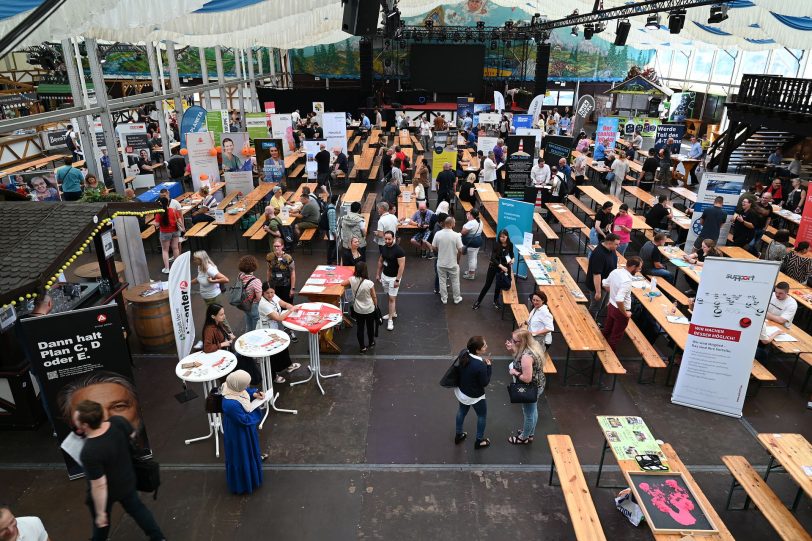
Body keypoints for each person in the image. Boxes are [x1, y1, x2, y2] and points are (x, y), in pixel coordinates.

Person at [73, 400, 165, 541]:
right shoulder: (118, 422)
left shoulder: (89, 452)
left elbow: (99, 485)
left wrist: (101, 512)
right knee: (139, 510)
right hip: (127, 480)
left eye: (77, 420)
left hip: (108, 492)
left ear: (85, 425)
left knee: (101, 524)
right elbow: (133, 437)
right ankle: (159, 538)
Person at [220, 370, 266, 495]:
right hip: (238, 433)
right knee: (242, 454)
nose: (248, 386)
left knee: (247, 452)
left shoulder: (231, 386)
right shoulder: (230, 404)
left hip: (241, 430)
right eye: (246, 384)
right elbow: (244, 419)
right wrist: (257, 410)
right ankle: (244, 483)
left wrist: (255, 395)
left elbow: (244, 393)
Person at [505, 329, 546, 445]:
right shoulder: (533, 347)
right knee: (533, 411)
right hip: (538, 385)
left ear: (522, 342)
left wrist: (514, 372)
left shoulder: (526, 357)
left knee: (528, 414)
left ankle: (523, 437)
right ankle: (530, 433)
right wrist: (513, 348)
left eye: (514, 341)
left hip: (530, 388)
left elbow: (527, 378)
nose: (512, 342)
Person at [453, 335, 492, 450]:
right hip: (476, 396)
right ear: (477, 350)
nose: (486, 346)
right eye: (484, 345)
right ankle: (479, 441)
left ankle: (458, 435)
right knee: (482, 415)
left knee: (461, 411)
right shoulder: (480, 365)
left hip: (462, 392)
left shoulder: (463, 354)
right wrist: (489, 367)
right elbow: (484, 382)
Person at [257, 282, 301, 377]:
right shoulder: (263, 304)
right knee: (272, 352)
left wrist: (290, 306)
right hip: (267, 331)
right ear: (263, 293)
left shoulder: (273, 296)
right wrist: (291, 310)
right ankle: (273, 376)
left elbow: (284, 304)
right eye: (267, 293)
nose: (270, 295)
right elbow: (278, 318)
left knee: (282, 346)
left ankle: (288, 366)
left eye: (272, 292)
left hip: (274, 328)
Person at [601, 256, 642, 352]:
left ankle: (600, 347)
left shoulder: (616, 271)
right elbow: (620, 300)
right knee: (616, 336)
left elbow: (605, 284)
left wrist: (613, 293)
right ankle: (610, 360)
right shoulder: (627, 281)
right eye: (639, 268)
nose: (639, 270)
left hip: (611, 306)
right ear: (632, 267)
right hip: (620, 311)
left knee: (607, 329)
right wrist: (625, 313)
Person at [342, 262, 378, 353]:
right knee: (370, 327)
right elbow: (374, 296)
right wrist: (376, 305)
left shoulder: (352, 279)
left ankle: (362, 347)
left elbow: (342, 283)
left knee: (360, 328)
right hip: (369, 309)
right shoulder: (369, 283)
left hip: (358, 309)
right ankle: (371, 342)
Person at [473, 229, 513, 310]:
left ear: (507, 237)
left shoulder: (510, 244)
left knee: (498, 285)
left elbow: (511, 254)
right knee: (487, 284)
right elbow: (493, 258)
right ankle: (478, 301)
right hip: (494, 266)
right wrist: (501, 266)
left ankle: (495, 301)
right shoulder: (496, 244)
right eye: (500, 237)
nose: (501, 238)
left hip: (504, 267)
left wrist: (512, 259)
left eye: (503, 237)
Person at [377, 230, 405, 331]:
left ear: (394, 238)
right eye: (386, 239)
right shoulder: (384, 248)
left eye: (389, 239)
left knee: (392, 298)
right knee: (389, 296)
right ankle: (393, 312)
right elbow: (381, 261)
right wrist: (378, 274)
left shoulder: (399, 250)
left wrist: (397, 280)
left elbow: (402, 266)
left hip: (394, 278)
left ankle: (390, 320)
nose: (387, 241)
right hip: (385, 276)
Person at [432, 216, 464, 305]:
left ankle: (444, 298)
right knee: (455, 281)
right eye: (454, 223)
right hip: (453, 263)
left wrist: (440, 250)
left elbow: (433, 247)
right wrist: (458, 260)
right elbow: (461, 250)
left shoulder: (438, 234)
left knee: (442, 281)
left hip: (441, 262)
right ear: (451, 224)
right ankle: (457, 298)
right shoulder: (456, 235)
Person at [587, 234, 620, 318]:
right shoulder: (599, 254)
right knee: (595, 306)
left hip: (607, 284)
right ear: (609, 243)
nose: (618, 246)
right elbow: (597, 274)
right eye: (616, 244)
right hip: (599, 286)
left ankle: (595, 320)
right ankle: (590, 323)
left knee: (604, 304)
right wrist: (598, 292)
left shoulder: (611, 249)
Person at [155, 195, 184, 274]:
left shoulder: (159, 213)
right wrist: (183, 228)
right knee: (175, 248)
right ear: (168, 202)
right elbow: (179, 220)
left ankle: (167, 268)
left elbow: (157, 224)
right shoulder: (173, 210)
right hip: (175, 231)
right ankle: (177, 266)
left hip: (165, 232)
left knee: (165, 250)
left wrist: (155, 223)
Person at [266, 239, 296, 305]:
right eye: (274, 246)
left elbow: (292, 273)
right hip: (274, 285)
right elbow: (269, 270)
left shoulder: (288, 257)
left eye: (278, 246)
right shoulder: (269, 256)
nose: (276, 248)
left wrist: (292, 288)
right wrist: (267, 282)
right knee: (276, 304)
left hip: (286, 285)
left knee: (287, 304)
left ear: (282, 246)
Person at [237, 255, 263, 332]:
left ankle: (246, 339)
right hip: (253, 305)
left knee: (248, 324)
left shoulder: (240, 275)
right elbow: (259, 298)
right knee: (256, 328)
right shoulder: (256, 281)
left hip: (244, 303)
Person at [461, 209, 484, 280]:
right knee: (474, 257)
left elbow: (463, 232)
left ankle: (471, 274)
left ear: (471, 215)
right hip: (478, 241)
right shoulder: (480, 221)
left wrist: (468, 220)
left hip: (472, 243)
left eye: (469, 214)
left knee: (471, 258)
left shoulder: (471, 223)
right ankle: (471, 270)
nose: (467, 214)